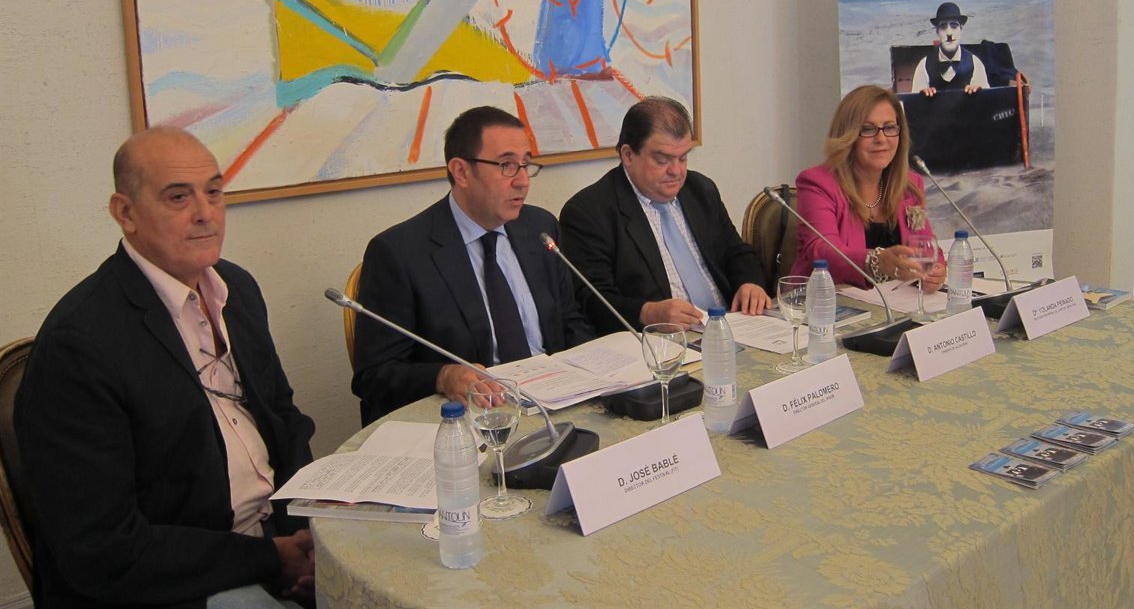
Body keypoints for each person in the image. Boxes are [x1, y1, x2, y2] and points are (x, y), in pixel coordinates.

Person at [15, 127, 317, 609]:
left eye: (213, 192)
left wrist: (306, 538)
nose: (205, 213)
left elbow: (284, 419)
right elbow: (104, 549)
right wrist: (270, 559)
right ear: (125, 213)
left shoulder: (236, 289)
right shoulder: (79, 345)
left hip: (273, 541)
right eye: (178, 197)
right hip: (175, 584)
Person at [352, 106, 593, 424]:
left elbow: (570, 321)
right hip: (471, 419)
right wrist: (442, 376)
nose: (523, 181)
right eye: (507, 165)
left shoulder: (539, 227)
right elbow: (374, 375)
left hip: (556, 404)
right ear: (461, 172)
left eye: (526, 164)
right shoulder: (399, 253)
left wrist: (597, 375)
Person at [559, 97, 769, 334]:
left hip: (729, 326)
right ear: (628, 155)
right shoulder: (589, 212)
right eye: (662, 160)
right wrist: (646, 313)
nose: (677, 171)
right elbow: (592, 300)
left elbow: (736, 251)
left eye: (683, 158)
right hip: (660, 341)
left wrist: (750, 282)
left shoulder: (701, 190)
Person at [790, 85, 946, 293]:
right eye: (868, 129)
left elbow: (925, 246)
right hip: (826, 302)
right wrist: (877, 261)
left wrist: (936, 271)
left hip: (895, 304)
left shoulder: (909, 185)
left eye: (889, 127)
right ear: (848, 135)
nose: (881, 139)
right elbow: (822, 251)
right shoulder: (817, 183)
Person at [910, 2, 989, 96]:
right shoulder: (924, 65)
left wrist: (979, 95)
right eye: (943, 26)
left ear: (961, 29)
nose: (949, 33)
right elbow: (913, 103)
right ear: (937, 31)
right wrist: (922, 97)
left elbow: (988, 102)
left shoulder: (975, 63)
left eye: (954, 25)